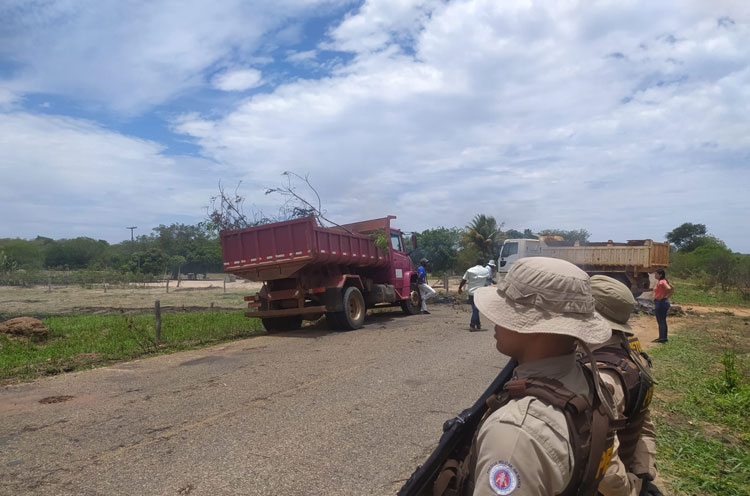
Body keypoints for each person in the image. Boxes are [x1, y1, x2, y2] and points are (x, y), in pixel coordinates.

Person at [465, 257, 615, 495]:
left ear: (536, 328)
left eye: (506, 312)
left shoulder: (515, 434)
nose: (494, 320)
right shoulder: (592, 381)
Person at [588, 275, 662, 496]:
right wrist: (643, 473)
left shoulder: (600, 376)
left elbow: (604, 467)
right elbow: (644, 423)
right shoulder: (634, 358)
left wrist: (631, 489)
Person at [458, 259, 491, 330]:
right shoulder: (486, 271)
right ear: (483, 263)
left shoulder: (470, 270)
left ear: (476, 263)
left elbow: (464, 280)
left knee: (475, 309)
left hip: (471, 292)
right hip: (481, 293)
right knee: (476, 309)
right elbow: (489, 279)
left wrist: (460, 288)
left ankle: (477, 324)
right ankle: (473, 324)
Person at [652, 269, 673, 343]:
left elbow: (669, 288)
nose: (655, 275)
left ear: (660, 275)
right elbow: (672, 288)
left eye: (656, 274)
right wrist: (667, 296)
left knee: (661, 321)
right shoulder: (664, 280)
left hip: (660, 302)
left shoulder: (661, 282)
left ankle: (662, 338)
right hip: (663, 302)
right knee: (662, 321)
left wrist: (663, 297)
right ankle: (663, 337)